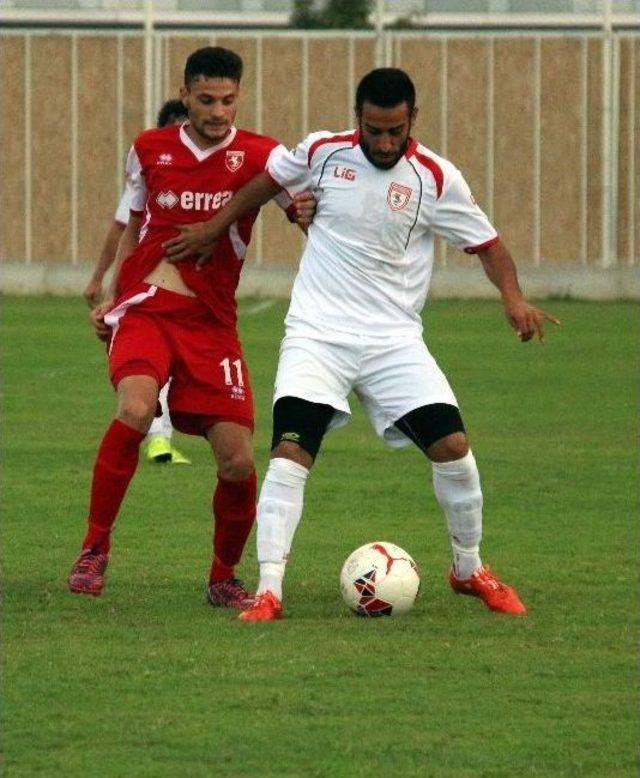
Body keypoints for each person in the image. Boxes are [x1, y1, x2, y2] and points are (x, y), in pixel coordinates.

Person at [164, 67, 560, 622]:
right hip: (317, 334)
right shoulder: (323, 152)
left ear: (411, 121)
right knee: (288, 455)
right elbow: (265, 180)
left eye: (394, 130)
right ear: (358, 120)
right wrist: (214, 227)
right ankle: (269, 590)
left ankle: (468, 568)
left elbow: (488, 245)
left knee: (454, 448)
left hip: (393, 341)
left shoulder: (437, 179)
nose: (383, 142)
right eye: (373, 129)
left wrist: (513, 299)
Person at [67, 46, 315, 608]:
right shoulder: (149, 148)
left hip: (211, 323)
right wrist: (114, 298)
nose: (218, 111)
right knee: (134, 408)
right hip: (148, 310)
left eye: (228, 100)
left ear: (239, 98)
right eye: (206, 100)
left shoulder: (261, 156)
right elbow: (134, 224)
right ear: (185, 96)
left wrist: (305, 213)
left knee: (237, 460)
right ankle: (94, 549)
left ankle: (222, 576)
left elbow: (297, 208)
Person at [84, 99, 191, 465]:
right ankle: (158, 437)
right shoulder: (146, 176)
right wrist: (106, 285)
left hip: (191, 293)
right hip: (143, 288)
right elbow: (123, 230)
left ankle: (159, 432)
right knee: (149, 368)